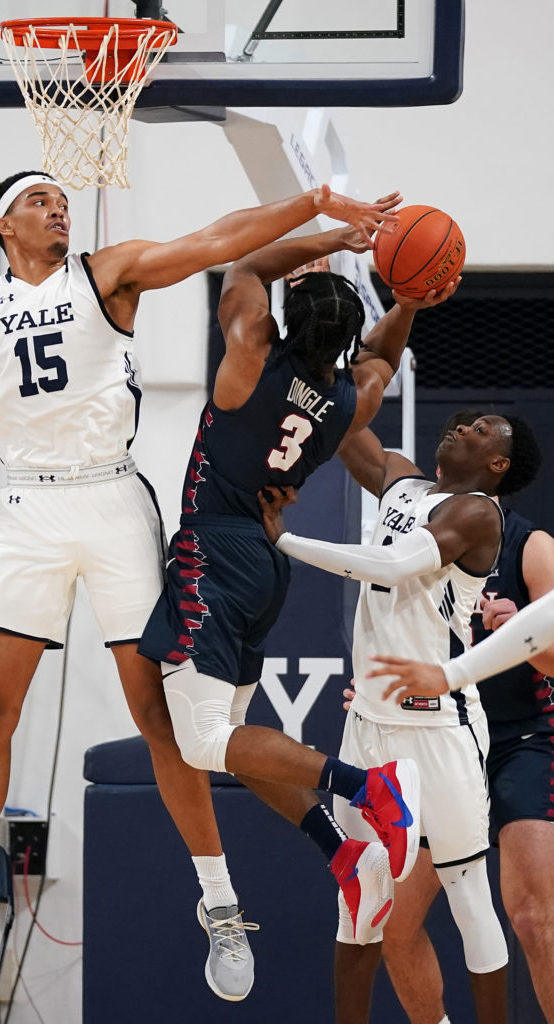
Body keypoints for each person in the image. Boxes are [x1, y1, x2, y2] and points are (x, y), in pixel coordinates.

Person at [0, 169, 400, 998]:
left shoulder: (107, 274)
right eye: (38, 200)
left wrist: (314, 209)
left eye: (62, 199)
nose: (57, 207)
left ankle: (221, 905)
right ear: (2, 226)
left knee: (159, 719)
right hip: (26, 509)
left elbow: (219, 243)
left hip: (111, 499)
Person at [137, 228, 458, 959]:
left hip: (212, 551)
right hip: (262, 569)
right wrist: (406, 298)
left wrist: (318, 236)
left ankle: (366, 788)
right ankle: (340, 852)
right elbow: (379, 360)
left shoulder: (249, 355)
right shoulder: (352, 400)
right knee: (244, 747)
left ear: (282, 319)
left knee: (206, 743)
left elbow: (246, 261)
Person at [258, 409, 542, 1024]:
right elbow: (343, 426)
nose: (464, 427)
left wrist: (285, 539)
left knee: (468, 896)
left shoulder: (478, 514)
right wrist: (318, 374)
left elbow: (390, 566)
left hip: (442, 728)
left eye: (482, 430)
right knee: (358, 899)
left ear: (497, 464)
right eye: (465, 422)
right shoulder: (404, 486)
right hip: (368, 726)